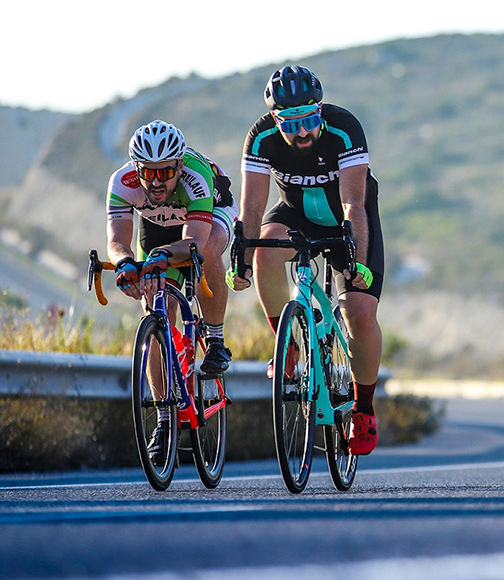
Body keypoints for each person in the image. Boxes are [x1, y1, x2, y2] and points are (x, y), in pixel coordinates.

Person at [229, 65, 385, 455]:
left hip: (347, 218)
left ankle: (363, 409)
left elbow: (353, 203)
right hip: (294, 213)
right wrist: (242, 260)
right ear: (275, 119)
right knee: (265, 250)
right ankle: (288, 345)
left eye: (309, 120)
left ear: (320, 110)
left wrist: (357, 261)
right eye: (290, 123)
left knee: (359, 311)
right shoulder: (261, 137)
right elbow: (251, 206)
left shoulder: (344, 127)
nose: (301, 132)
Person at [106, 120, 238, 461]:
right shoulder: (122, 183)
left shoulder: (196, 175)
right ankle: (164, 420)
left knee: (205, 252)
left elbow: (195, 240)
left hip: (208, 214)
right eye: (148, 173)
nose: (157, 180)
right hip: (156, 223)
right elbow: (117, 242)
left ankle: (216, 339)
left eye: (165, 172)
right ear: (137, 169)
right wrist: (125, 266)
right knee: (155, 310)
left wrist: (160, 257)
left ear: (179, 164)